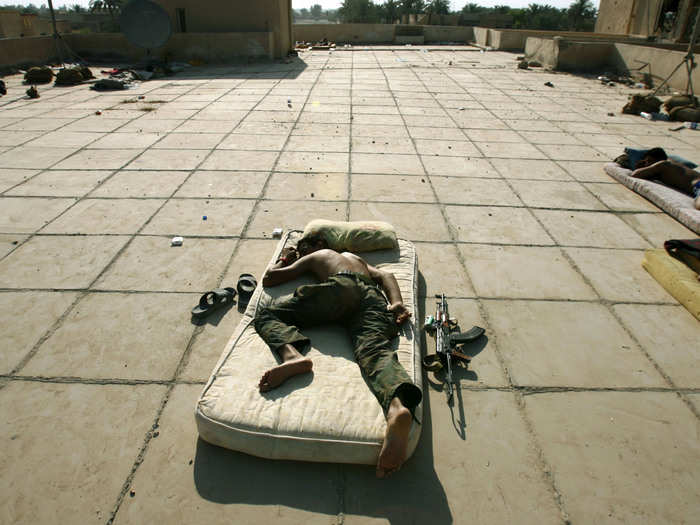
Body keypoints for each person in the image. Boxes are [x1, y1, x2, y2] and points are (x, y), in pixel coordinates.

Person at [253, 234, 422, 478]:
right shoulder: (358, 260)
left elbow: (271, 278)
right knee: (374, 350)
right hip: (372, 299)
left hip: (339, 289)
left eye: (305, 247)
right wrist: (396, 303)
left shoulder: (319, 255)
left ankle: (292, 356)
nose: (302, 253)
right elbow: (387, 276)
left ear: (320, 245)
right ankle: (397, 407)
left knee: (266, 316)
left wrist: (286, 258)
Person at [631, 148, 700, 209]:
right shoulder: (670, 166)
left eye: (649, 161)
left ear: (657, 160)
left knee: (698, 205)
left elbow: (635, 174)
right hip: (697, 184)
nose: (646, 164)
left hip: (698, 184)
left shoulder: (662, 164)